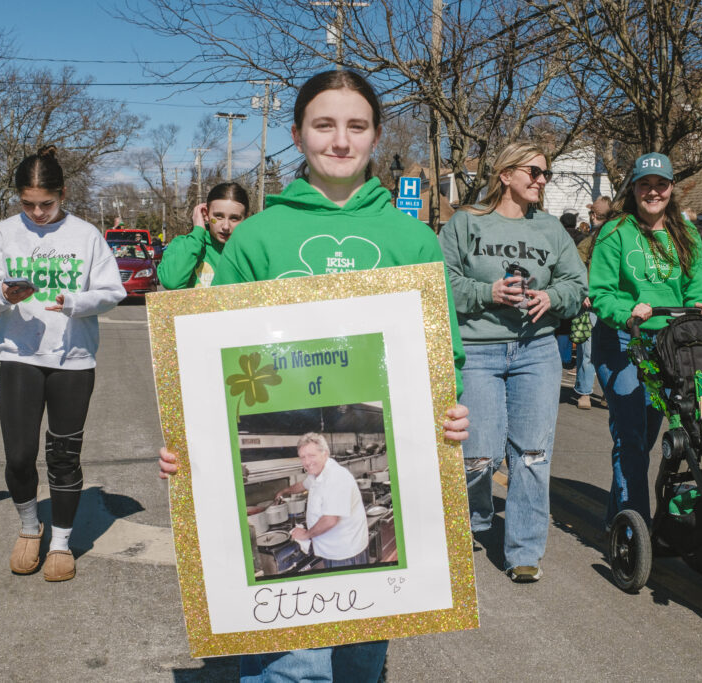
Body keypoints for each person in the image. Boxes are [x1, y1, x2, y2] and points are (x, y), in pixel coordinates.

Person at [158, 69, 469, 683]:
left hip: (377, 540)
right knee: (291, 671)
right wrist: (190, 440)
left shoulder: (414, 242)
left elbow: (443, 359)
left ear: (375, 135)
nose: (341, 140)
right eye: (324, 125)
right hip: (283, 548)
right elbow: (210, 360)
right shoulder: (255, 239)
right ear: (298, 135)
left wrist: (449, 411)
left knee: (360, 664)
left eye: (357, 126)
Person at [0, 145, 126, 582]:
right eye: (28, 204)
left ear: (63, 194)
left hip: (73, 359)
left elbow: (113, 291)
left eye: (46, 204)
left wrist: (76, 302)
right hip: (19, 356)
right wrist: (1, 294)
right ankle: (29, 527)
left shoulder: (86, 235)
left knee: (64, 456)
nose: (37, 213)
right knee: (19, 456)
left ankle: (60, 542)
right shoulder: (4, 233)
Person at [438, 141, 586, 582]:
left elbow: (577, 284)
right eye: (534, 172)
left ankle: (524, 551)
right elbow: (441, 279)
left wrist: (552, 297)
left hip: (536, 350)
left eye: (545, 174)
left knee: (532, 453)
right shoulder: (466, 222)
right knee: (478, 455)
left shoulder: (551, 230)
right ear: (505, 175)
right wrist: (489, 292)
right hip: (477, 350)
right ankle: (475, 515)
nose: (542, 180)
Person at [588, 152, 702, 527]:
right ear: (633, 189)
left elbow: (697, 283)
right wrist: (628, 312)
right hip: (623, 341)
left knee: (648, 437)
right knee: (630, 437)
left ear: (671, 188)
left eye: (660, 184)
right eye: (645, 184)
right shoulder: (615, 231)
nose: (653, 192)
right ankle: (637, 530)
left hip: (670, 344)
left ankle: (620, 520)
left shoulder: (685, 232)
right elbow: (601, 293)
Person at [274, 433, 369, 567]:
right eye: (303, 457)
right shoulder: (317, 473)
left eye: (311, 455)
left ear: (325, 454)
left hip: (345, 553)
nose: (307, 462)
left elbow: (330, 520)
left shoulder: (336, 477)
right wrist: (284, 491)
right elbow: (302, 485)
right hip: (332, 548)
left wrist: (306, 534)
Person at [157, 182, 249, 289]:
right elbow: (171, 282)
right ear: (206, 214)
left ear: (246, 219)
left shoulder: (251, 251)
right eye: (219, 216)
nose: (225, 226)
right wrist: (197, 233)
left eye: (234, 218)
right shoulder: (182, 245)